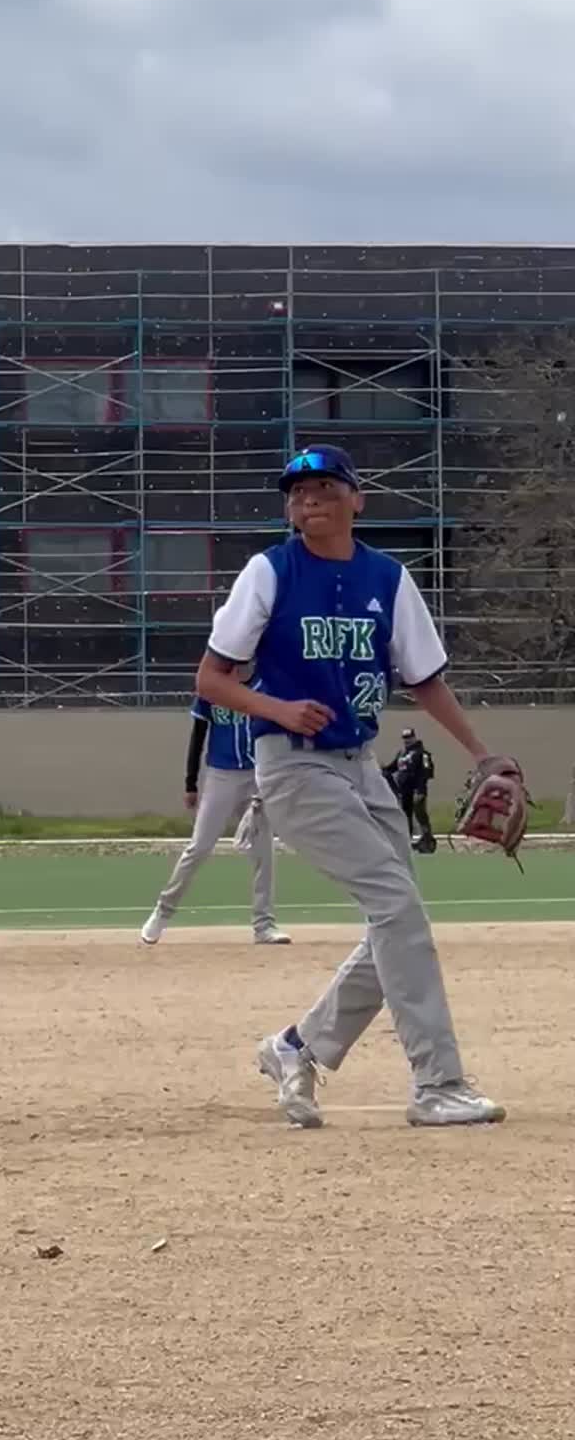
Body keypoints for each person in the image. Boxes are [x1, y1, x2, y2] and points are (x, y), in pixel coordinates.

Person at [196, 442, 506, 1129]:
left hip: (362, 766)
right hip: (293, 765)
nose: (309, 499)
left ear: (356, 500)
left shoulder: (387, 578)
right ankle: (438, 1083)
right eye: (298, 492)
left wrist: (483, 755)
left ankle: (297, 1046)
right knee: (396, 907)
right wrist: (276, 709)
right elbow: (212, 678)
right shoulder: (269, 571)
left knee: (399, 918)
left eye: (326, 488)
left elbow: (424, 680)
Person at [140, 696, 290, 946]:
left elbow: (277, 734)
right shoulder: (213, 690)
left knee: (264, 850)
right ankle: (162, 912)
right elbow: (198, 736)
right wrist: (190, 782)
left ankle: (264, 925)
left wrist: (275, 774)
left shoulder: (263, 686)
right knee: (199, 847)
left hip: (258, 774)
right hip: (222, 775)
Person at [382, 726, 436, 853]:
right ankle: (406, 840)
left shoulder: (422, 753)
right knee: (406, 815)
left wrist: (421, 790)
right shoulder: (402, 754)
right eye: (405, 738)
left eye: (409, 737)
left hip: (416, 789)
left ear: (414, 737)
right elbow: (393, 767)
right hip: (404, 790)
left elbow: (425, 772)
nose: (407, 740)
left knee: (420, 814)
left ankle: (427, 840)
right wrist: (382, 770)